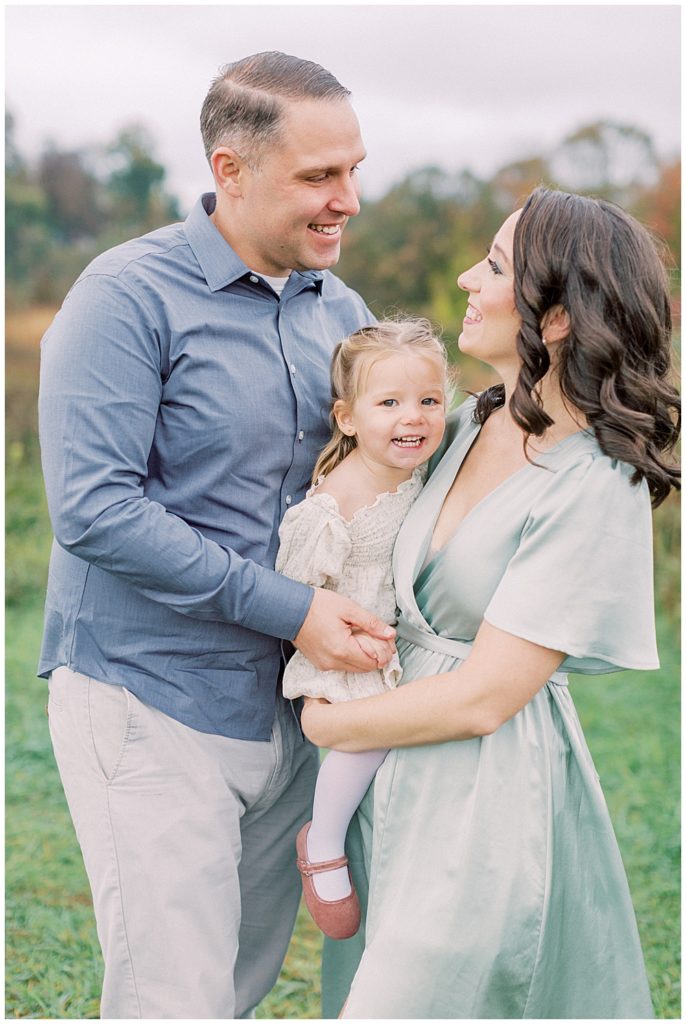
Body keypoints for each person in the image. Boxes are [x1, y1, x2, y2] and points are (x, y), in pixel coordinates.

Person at [37, 51, 397, 1020]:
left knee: (230, 991)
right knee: (172, 998)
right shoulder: (125, 297)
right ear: (230, 170)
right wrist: (297, 609)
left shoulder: (346, 316)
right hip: (148, 696)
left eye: (353, 169)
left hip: (289, 711)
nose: (347, 199)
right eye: (319, 176)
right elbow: (94, 508)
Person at [302, 187, 681, 1019]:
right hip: (392, 779)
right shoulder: (473, 419)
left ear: (554, 319)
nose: (470, 278)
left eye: (497, 265)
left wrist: (328, 726)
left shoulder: (597, 479)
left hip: (486, 797)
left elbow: (485, 698)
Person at [275, 320, 450, 939]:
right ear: (347, 418)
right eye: (391, 403)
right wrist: (341, 636)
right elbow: (300, 596)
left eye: (430, 401)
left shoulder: (427, 469)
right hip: (349, 648)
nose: (415, 417)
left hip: (406, 638)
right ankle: (322, 841)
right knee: (365, 736)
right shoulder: (334, 505)